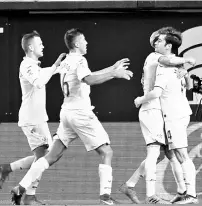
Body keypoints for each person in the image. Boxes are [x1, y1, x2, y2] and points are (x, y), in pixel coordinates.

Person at [9, 28, 133, 205]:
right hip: (81, 114)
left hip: (66, 114)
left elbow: (88, 75)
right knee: (107, 152)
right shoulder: (80, 60)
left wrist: (112, 68)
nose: (87, 43)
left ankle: (21, 188)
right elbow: (88, 79)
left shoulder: (67, 61)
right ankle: (105, 198)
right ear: (77, 44)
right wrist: (114, 74)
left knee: (51, 156)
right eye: (84, 40)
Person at [119, 27, 195, 204]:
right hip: (152, 108)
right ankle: (151, 195)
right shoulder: (156, 58)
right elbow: (165, 63)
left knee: (168, 153)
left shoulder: (170, 64)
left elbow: (186, 82)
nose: (155, 43)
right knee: (157, 152)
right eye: (155, 40)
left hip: (164, 111)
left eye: (159, 40)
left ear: (168, 45)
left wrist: (185, 71)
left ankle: (180, 190)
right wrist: (188, 61)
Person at [0, 31, 66, 205]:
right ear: (30, 47)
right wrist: (54, 67)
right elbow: (39, 81)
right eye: (40, 43)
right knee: (50, 155)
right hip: (33, 119)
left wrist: (63, 66)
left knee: (42, 157)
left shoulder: (33, 65)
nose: (43, 46)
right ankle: (24, 191)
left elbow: (50, 72)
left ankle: (10, 170)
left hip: (36, 118)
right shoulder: (27, 65)